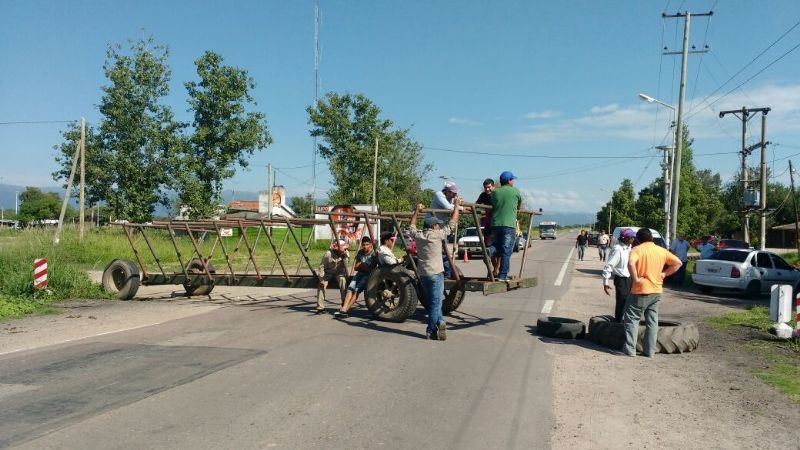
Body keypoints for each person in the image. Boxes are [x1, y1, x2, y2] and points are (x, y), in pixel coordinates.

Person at [622, 228, 682, 357]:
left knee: (632, 319)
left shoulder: (637, 250)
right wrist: (664, 274)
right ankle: (649, 351)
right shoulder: (661, 251)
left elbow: (631, 263)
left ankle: (630, 349)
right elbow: (678, 263)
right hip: (656, 290)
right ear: (652, 238)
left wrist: (636, 278)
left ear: (638, 239)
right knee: (652, 322)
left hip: (640, 290)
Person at [409, 198, 460, 340]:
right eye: (438, 224)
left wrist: (416, 211)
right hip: (436, 274)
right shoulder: (437, 235)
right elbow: (453, 224)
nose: (439, 226)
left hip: (423, 274)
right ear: (434, 226)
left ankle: (439, 322)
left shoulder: (419, 236)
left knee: (433, 302)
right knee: (434, 304)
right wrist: (456, 206)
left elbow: (411, 226)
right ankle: (431, 330)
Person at [488, 171, 522, 281]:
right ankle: (503, 275)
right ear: (509, 181)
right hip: (509, 226)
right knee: (506, 251)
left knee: (496, 245)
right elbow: (519, 206)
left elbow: (492, 205)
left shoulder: (495, 192)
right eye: (512, 180)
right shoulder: (516, 191)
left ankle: (490, 250)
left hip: (495, 224)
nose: (513, 182)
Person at [336, 236, 377, 318]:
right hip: (359, 273)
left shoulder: (374, 254)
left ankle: (345, 310)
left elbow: (372, 268)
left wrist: (363, 266)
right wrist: (364, 266)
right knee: (350, 289)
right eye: (363, 245)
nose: (365, 246)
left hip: (368, 275)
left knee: (356, 290)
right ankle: (344, 309)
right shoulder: (360, 252)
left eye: (367, 244)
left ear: (371, 245)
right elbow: (356, 267)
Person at [602, 228, 636, 322]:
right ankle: (618, 323)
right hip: (621, 279)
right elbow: (609, 266)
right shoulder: (618, 249)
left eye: (633, 237)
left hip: (630, 279)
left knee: (630, 303)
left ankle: (626, 322)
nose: (633, 239)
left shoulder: (629, 248)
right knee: (622, 302)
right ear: (624, 238)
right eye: (631, 237)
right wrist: (606, 282)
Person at [429, 181, 459, 277]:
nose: (454, 195)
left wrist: (459, 207)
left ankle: (447, 272)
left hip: (440, 226)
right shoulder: (439, 195)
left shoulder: (449, 198)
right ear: (447, 191)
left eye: (455, 194)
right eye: (453, 193)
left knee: (444, 251)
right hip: (431, 226)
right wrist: (459, 206)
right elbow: (449, 207)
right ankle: (445, 273)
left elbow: (453, 208)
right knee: (441, 251)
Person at [315, 238, 350, 314]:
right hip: (328, 273)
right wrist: (321, 279)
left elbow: (346, 266)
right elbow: (321, 266)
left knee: (343, 281)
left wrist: (344, 256)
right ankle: (320, 307)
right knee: (321, 285)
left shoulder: (346, 253)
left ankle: (344, 304)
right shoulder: (328, 254)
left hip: (339, 272)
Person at [476, 178, 499, 275]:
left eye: (489, 187)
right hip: (488, 225)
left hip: (498, 224)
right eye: (485, 188)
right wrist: (462, 208)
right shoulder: (483, 195)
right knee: (488, 251)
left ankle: (496, 270)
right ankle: (493, 270)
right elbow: (476, 204)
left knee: (499, 250)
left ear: (493, 186)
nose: (487, 189)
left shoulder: (498, 194)